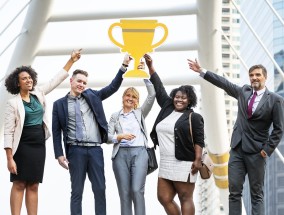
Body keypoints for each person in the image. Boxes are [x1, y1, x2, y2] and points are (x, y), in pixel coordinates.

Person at [188, 59, 284, 215]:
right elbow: (224, 83)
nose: (254, 78)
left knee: (256, 194)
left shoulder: (275, 100)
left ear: (265, 78)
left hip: (257, 152)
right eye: (251, 75)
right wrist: (202, 71)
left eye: (258, 75)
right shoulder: (243, 92)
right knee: (234, 191)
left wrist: (266, 150)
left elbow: (279, 129)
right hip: (237, 149)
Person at [4, 49, 82, 215]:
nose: (28, 80)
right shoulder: (13, 103)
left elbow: (55, 80)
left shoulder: (38, 93)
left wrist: (71, 60)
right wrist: (10, 158)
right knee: (19, 183)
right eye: (24, 78)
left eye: (29, 77)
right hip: (22, 146)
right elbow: (8, 132)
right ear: (18, 83)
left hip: (38, 145)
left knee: (33, 184)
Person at [52, 54, 131, 215]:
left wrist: (124, 66)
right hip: (75, 151)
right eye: (79, 81)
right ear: (71, 81)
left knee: (100, 189)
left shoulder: (93, 96)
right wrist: (59, 154)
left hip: (95, 150)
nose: (82, 84)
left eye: (84, 82)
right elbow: (56, 131)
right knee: (77, 191)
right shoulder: (59, 104)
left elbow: (112, 87)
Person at [143, 54, 204, 215]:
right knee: (163, 197)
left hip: (185, 162)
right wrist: (150, 67)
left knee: (185, 197)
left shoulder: (194, 117)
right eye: (177, 97)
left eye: (184, 98)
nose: (179, 100)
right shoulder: (167, 107)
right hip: (166, 161)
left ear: (189, 101)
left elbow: (199, 140)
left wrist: (198, 159)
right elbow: (159, 87)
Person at [107, 63, 156, 215]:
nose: (130, 98)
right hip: (120, 155)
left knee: (136, 190)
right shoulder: (115, 116)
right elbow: (108, 138)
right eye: (128, 95)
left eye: (134, 97)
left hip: (140, 153)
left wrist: (144, 75)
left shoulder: (140, 113)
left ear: (136, 101)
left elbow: (152, 94)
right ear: (123, 97)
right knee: (125, 194)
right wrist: (119, 137)